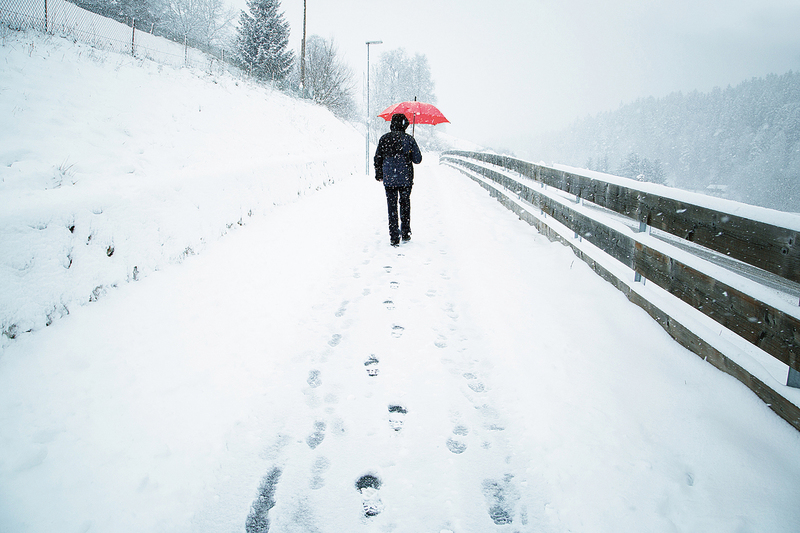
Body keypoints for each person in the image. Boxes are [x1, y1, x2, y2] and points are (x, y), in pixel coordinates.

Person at [374, 113, 423, 247]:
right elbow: (418, 160)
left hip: (389, 178)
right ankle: (406, 232)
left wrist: (379, 174)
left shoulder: (384, 139)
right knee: (405, 204)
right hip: (405, 178)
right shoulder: (409, 139)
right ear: (405, 125)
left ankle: (394, 236)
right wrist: (411, 149)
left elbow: (378, 158)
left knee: (392, 206)